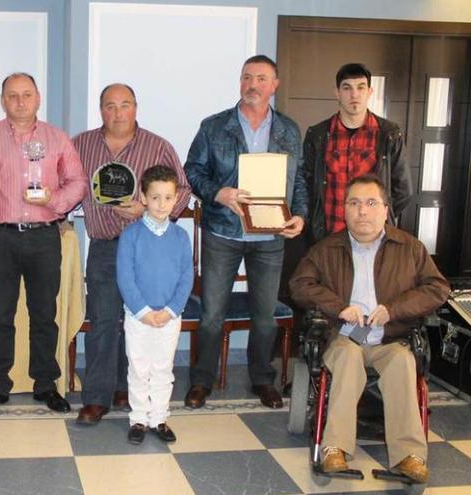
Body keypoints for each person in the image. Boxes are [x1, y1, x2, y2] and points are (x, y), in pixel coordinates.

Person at [290, 174, 448, 484]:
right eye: (354, 203)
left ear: (386, 209)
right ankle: (334, 449)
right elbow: (299, 285)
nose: (362, 211)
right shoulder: (326, 249)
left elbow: (437, 288)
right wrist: (338, 307)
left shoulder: (410, 248)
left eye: (371, 203)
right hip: (343, 337)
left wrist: (394, 310)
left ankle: (409, 457)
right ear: (345, 210)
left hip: (391, 338)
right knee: (348, 358)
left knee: (403, 362)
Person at [184, 55, 307, 409]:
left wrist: (298, 215)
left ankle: (261, 379)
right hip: (223, 232)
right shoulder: (213, 126)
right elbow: (192, 170)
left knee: (265, 315)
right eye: (246, 77)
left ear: (274, 85)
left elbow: (298, 179)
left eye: (261, 78)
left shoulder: (288, 130)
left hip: (270, 237)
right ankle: (202, 380)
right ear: (240, 82)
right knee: (211, 314)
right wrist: (217, 193)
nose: (252, 84)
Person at [0, 72, 87, 415]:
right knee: (0, 314)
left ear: (38, 99)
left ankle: (46, 384)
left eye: (27, 95)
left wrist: (55, 201)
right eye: (13, 96)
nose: (20, 101)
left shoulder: (57, 139)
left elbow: (77, 183)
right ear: (3, 101)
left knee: (44, 315)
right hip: (0, 238)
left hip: (44, 237)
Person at [72, 83, 191, 424]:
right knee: (105, 320)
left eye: (125, 105)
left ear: (136, 108)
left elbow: (182, 188)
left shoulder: (157, 146)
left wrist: (146, 209)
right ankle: (97, 397)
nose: (117, 112)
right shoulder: (81, 144)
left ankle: (127, 389)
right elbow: (68, 180)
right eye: (110, 105)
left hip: (149, 247)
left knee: (138, 320)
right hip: (106, 246)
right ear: (100, 109)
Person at [116, 165, 194, 445]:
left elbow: (187, 277)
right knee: (138, 367)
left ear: (176, 200)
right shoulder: (131, 236)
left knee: (163, 368)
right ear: (144, 198)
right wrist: (144, 312)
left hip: (170, 317)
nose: (162, 204)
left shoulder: (181, 237)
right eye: (156, 197)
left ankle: (159, 417)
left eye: (168, 198)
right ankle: (138, 418)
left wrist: (172, 310)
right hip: (139, 317)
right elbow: (125, 277)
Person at [303, 63, 411, 245]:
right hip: (328, 237)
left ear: (370, 92)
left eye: (361, 87)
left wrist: (376, 216)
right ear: (337, 93)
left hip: (374, 237)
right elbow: (306, 184)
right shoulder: (318, 135)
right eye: (347, 88)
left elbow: (403, 190)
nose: (354, 94)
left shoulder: (389, 134)